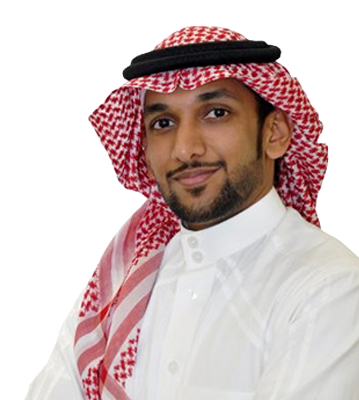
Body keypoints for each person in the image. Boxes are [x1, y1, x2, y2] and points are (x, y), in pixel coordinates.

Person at [25, 26, 359, 400]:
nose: (185, 149)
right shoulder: (121, 283)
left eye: (216, 113)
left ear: (275, 134)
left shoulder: (327, 288)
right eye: (163, 123)